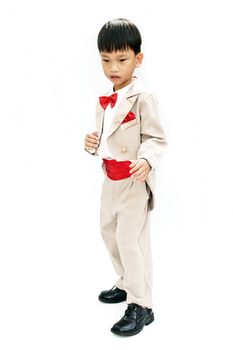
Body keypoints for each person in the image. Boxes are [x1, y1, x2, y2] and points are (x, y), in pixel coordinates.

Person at [84, 18, 167, 336]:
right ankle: (126, 281)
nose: (113, 67)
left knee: (130, 241)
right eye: (106, 60)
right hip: (110, 179)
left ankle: (141, 304)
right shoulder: (105, 99)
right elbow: (109, 136)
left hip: (134, 181)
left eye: (121, 59)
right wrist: (93, 143)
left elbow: (156, 138)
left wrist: (147, 160)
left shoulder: (144, 97)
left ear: (138, 58)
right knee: (109, 233)